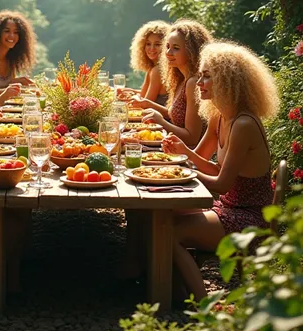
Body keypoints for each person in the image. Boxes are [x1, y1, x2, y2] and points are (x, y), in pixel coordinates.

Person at [163, 41, 279, 301]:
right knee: (161, 215)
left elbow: (221, 183)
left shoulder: (244, 124)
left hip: (248, 219)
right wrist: (183, 152)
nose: (199, 82)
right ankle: (174, 292)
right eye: (201, 75)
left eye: (207, 76)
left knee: (168, 234)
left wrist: (186, 169)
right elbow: (207, 163)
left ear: (227, 81)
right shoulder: (220, 116)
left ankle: (204, 305)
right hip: (226, 207)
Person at [132, 19, 212, 148]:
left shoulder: (193, 83)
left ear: (192, 52)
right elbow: (174, 114)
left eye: (176, 48)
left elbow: (192, 138)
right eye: (167, 47)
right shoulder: (180, 79)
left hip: (188, 158)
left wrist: (162, 122)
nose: (168, 53)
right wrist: (148, 105)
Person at [0, 10, 37, 102]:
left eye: (16, 32)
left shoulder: (11, 60)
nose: (12, 36)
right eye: (7, 31)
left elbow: (3, 87)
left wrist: (16, 82)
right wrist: (16, 91)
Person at [119, 20, 170, 103]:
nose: (151, 48)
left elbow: (145, 104)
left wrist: (131, 97)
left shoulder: (157, 71)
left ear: (166, 46)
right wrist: (133, 92)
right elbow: (144, 96)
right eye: (148, 44)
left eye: (157, 44)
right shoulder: (153, 68)